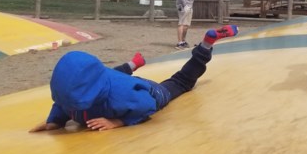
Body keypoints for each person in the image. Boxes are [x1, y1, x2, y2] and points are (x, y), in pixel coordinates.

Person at [30, 25, 238, 132]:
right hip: (112, 79)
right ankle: (132, 64)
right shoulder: (69, 96)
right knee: (110, 74)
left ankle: (206, 44)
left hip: (147, 90)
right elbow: (62, 105)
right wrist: (54, 122)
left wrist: (117, 121)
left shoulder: (122, 98)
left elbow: (145, 104)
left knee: (181, 82)